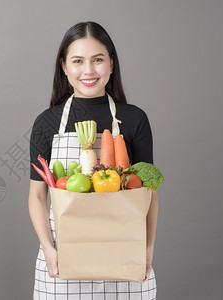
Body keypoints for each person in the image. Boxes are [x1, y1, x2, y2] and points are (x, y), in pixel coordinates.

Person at [28, 21, 159, 299]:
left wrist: (147, 250)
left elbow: (149, 193)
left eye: (98, 60)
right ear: (64, 67)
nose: (88, 70)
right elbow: (37, 196)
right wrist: (49, 250)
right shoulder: (47, 123)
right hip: (63, 260)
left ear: (111, 64)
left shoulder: (135, 119)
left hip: (124, 254)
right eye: (78, 61)